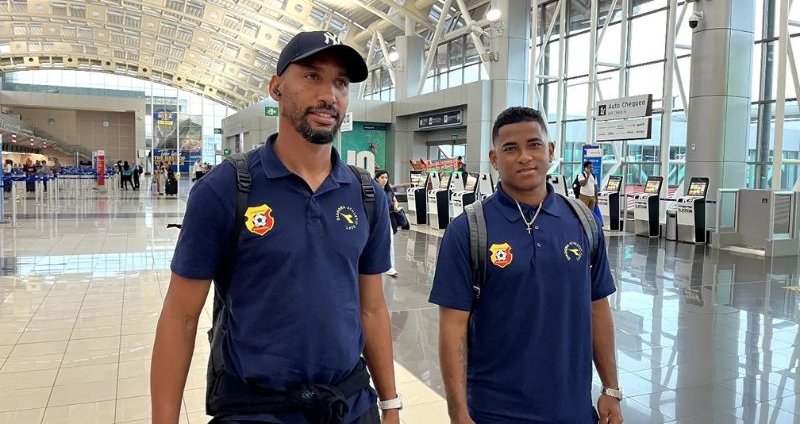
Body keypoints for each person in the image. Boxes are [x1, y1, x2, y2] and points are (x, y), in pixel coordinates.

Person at [152, 30, 400, 424]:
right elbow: (180, 317)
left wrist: (389, 403)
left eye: (339, 82)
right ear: (277, 87)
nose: (328, 94)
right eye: (312, 76)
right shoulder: (225, 189)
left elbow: (372, 308)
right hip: (255, 409)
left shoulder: (366, 195)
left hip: (349, 406)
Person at [429, 106, 622, 424]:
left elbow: (598, 308)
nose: (524, 157)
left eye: (533, 144)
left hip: (573, 411)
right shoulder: (468, 230)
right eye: (510, 148)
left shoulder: (582, 222)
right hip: (495, 412)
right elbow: (452, 329)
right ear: (494, 159)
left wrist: (611, 388)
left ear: (550, 151)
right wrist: (458, 412)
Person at [375, 170, 398, 277]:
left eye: (386, 178)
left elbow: (394, 200)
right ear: (377, 178)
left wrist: (396, 205)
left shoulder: (389, 191)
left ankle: (390, 267)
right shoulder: (374, 190)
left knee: (389, 243)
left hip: (387, 219)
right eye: (382, 177)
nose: (384, 180)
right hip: (375, 220)